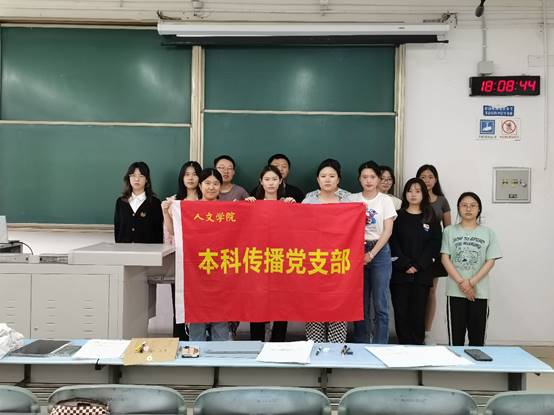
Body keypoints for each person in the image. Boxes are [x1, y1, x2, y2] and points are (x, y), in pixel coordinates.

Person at [441, 192, 501, 346]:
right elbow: (445, 258)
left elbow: (490, 261)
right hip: (455, 292)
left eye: (473, 205)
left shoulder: (488, 233)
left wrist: (471, 283)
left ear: (479, 209)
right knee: (456, 340)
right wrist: (462, 283)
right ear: (458, 208)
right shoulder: (449, 231)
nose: (468, 209)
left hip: (479, 292)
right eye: (464, 205)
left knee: (477, 340)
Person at [389, 178, 441, 345]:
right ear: (405, 194)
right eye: (410, 191)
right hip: (400, 273)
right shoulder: (397, 216)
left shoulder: (431, 217)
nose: (413, 194)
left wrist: (418, 265)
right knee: (401, 313)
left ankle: (418, 346)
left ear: (423, 194)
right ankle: (403, 345)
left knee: (418, 313)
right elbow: (392, 242)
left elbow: (434, 244)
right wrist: (405, 264)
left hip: (422, 274)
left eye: (417, 191)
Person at [349, 161, 397, 344]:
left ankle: (380, 344)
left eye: (372, 177)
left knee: (380, 302)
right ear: (359, 179)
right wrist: (359, 252)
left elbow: (388, 231)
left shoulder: (385, 200)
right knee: (360, 302)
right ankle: (361, 342)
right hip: (356, 250)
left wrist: (371, 254)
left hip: (380, 251)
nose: (368, 181)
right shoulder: (352, 199)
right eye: (364, 177)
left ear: (378, 179)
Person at [245, 165, 294, 341]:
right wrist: (244, 206)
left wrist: (293, 207)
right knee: (257, 302)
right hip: (258, 261)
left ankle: (278, 343)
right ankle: (256, 342)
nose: (271, 183)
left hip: (281, 260)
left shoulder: (287, 204)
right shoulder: (252, 204)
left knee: (281, 302)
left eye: (274, 179)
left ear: (280, 181)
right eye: (267, 179)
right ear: (261, 181)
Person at [302, 159, 349, 343]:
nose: (327, 179)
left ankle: (336, 350)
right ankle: (315, 348)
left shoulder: (348, 201)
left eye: (331, 176)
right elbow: (299, 231)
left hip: (339, 263)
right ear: (317, 179)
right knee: (314, 305)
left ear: (338, 179)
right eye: (323, 176)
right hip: (314, 262)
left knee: (338, 305)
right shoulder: (308, 202)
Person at [187, 168, 230, 342]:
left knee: (221, 317)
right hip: (196, 270)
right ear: (200, 185)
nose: (211, 187)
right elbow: (174, 231)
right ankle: (195, 355)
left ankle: (220, 355)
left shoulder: (229, 210)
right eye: (207, 183)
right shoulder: (189, 209)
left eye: (215, 183)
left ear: (220, 186)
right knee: (197, 316)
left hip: (222, 269)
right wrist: (166, 212)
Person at [161, 160, 202, 341]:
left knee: (201, 302)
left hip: (203, 259)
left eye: (195, 174)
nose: (191, 178)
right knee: (179, 301)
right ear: (182, 177)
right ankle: (179, 340)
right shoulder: (173, 201)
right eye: (187, 174)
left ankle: (200, 339)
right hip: (181, 259)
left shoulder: (206, 200)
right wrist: (165, 212)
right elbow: (171, 232)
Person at [417, 164, 451, 344]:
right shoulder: (413, 197)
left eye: (430, 177)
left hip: (434, 251)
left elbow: (448, 230)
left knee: (431, 290)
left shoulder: (441, 201)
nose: (427, 180)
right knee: (415, 291)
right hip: (414, 252)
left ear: (436, 180)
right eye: (423, 177)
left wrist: (446, 254)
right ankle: (415, 330)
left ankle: (427, 332)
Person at [114, 161, 163, 244]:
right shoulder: (120, 202)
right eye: (133, 175)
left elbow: (158, 232)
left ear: (146, 179)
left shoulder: (155, 203)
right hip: (124, 249)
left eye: (141, 176)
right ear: (129, 178)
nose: (136, 179)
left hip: (148, 250)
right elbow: (118, 229)